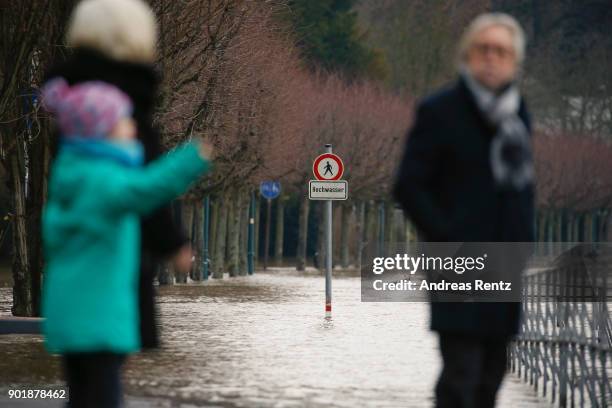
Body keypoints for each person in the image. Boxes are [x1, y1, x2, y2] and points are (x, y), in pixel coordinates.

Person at [39, 78, 212, 407]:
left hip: (72, 317)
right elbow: (146, 189)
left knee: (81, 396)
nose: (132, 126)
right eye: (123, 120)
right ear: (100, 131)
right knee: (104, 397)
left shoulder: (72, 174)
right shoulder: (102, 180)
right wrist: (191, 158)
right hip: (99, 319)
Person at [392, 13, 534, 408]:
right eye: (483, 49)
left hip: (505, 265)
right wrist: (446, 239)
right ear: (466, 56)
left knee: (492, 372)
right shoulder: (440, 110)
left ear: (514, 62)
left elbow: (523, 188)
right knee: (461, 373)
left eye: (501, 51)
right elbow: (408, 185)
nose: (492, 58)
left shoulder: (518, 114)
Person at [44, 0, 191, 352]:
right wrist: (172, 242)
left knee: (82, 367)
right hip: (118, 258)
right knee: (107, 364)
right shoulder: (124, 101)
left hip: (70, 262)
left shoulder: (67, 100)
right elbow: (144, 187)